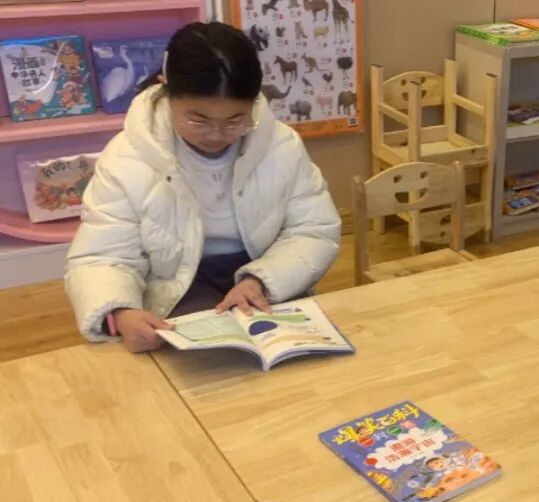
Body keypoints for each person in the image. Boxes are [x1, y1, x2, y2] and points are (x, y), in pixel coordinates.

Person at [65, 22, 340, 352]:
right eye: (198, 120)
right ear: (165, 88)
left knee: (296, 358)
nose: (216, 135)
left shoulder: (281, 145)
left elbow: (314, 230)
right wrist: (120, 311)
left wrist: (263, 281)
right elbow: (102, 255)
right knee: (210, 363)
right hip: (177, 282)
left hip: (266, 269)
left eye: (235, 120)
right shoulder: (127, 157)